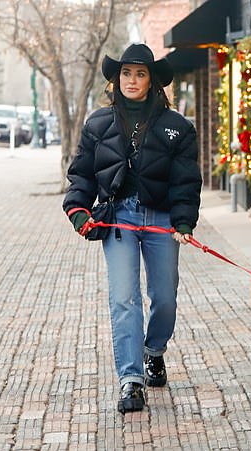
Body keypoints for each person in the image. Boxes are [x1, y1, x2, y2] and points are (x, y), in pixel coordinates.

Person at [62, 43, 202, 414]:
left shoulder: (178, 127)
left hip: (161, 222)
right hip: (118, 219)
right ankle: (131, 379)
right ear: (116, 79)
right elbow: (81, 175)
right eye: (126, 73)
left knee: (165, 299)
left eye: (140, 73)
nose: (132, 80)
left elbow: (186, 180)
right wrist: (78, 210)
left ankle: (154, 350)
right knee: (124, 299)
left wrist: (184, 220)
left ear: (153, 81)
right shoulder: (98, 124)